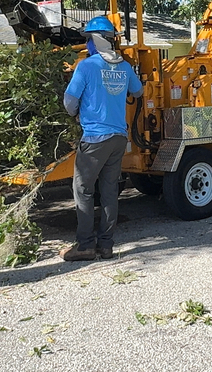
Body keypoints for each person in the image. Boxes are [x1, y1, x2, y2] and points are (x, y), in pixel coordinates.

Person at [61, 16, 143, 261]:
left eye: (88, 40)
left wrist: (76, 112)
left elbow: (69, 101)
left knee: (83, 189)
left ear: (95, 41)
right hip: (119, 137)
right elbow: (138, 91)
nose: (87, 45)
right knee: (109, 190)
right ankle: (106, 245)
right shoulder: (125, 66)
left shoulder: (86, 66)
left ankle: (85, 245)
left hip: (95, 138)